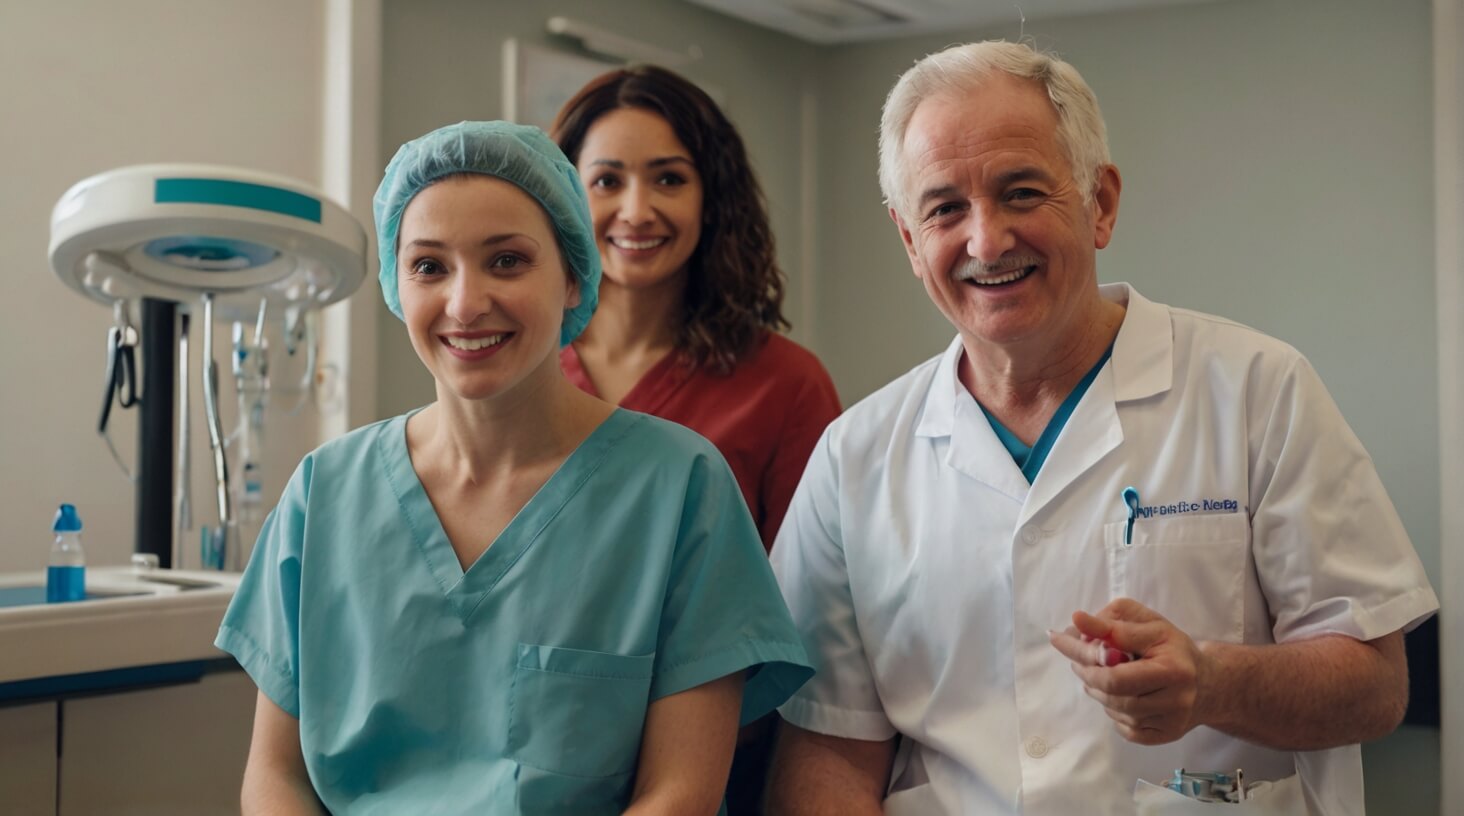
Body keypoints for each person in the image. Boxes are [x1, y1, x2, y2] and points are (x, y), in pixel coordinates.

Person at [764, 41, 1438, 816]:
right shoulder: (855, 459)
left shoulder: (1257, 390)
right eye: (945, 207)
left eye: (1021, 193)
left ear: (1101, 202)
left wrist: (1213, 683)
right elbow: (830, 746)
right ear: (910, 240)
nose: (986, 241)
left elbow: (1377, 687)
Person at [215, 121, 813, 815]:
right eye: (430, 266)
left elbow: (678, 793)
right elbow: (275, 777)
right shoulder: (325, 492)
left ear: (572, 277)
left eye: (506, 261)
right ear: (395, 283)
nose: (466, 303)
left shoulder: (678, 488)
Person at [551, 65, 842, 555]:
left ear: (712, 200)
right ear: (563, 198)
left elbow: (808, 594)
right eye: (606, 181)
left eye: (668, 178)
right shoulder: (523, 365)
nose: (637, 211)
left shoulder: (787, 385)